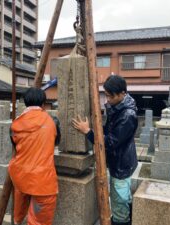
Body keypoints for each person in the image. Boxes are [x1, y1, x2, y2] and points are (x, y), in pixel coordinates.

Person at [72, 75, 138, 225]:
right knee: (120, 199)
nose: (107, 99)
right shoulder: (118, 107)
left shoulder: (127, 115)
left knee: (120, 202)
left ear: (122, 93)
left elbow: (110, 141)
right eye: (106, 95)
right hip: (118, 161)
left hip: (121, 166)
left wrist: (88, 131)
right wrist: (94, 127)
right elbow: (109, 131)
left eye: (110, 96)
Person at [8, 87, 60, 225]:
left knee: (18, 212)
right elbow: (56, 141)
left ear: (25, 103)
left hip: (20, 175)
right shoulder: (52, 121)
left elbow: (15, 145)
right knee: (39, 220)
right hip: (42, 180)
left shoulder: (15, 124)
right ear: (43, 103)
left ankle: (17, 221)